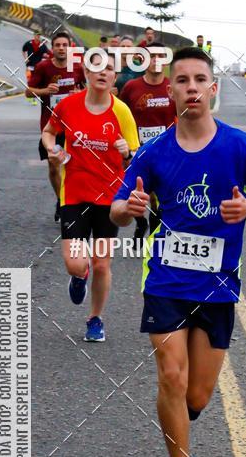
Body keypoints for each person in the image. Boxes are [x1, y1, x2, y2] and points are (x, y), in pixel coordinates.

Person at [110, 47, 246, 457]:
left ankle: (179, 420)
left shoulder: (239, 146)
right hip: (165, 280)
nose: (191, 87)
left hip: (217, 286)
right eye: (181, 80)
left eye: (199, 79)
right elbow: (116, 206)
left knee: (197, 395)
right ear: (169, 90)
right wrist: (126, 210)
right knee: (171, 375)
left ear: (213, 89)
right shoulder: (153, 151)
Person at [42, 51, 139, 341]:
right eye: (96, 67)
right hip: (73, 194)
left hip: (109, 198)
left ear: (114, 77)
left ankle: (95, 318)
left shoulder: (121, 111)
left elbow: (134, 159)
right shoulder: (69, 105)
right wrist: (53, 148)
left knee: (101, 263)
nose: (103, 72)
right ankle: (78, 275)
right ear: (86, 72)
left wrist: (126, 153)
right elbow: (49, 132)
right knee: (76, 262)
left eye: (109, 68)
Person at [119, 43, 177, 243]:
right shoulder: (131, 87)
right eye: (151, 56)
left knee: (156, 196)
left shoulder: (173, 87)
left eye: (161, 55)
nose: (156, 60)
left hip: (166, 150)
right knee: (137, 192)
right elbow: (120, 114)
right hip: (137, 149)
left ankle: (154, 235)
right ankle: (140, 221)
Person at [26, 31, 86, 221]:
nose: (61, 48)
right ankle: (62, 200)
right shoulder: (43, 67)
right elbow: (28, 92)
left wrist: (80, 92)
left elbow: (89, 91)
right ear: (53, 48)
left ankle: (70, 202)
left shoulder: (77, 68)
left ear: (70, 48)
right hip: (50, 126)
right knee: (54, 165)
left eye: (64, 45)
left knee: (75, 167)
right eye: (58, 45)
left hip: (74, 126)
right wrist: (45, 90)